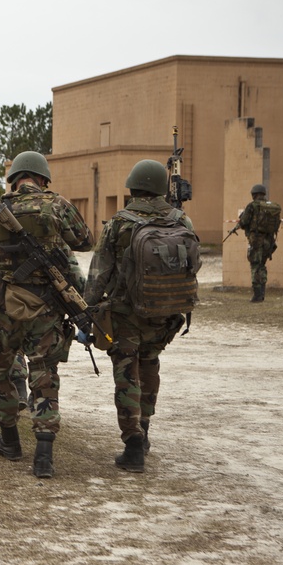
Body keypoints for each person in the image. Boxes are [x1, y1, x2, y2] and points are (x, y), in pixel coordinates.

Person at [0, 151, 94, 478]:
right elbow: (85, 241)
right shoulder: (57, 205)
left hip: (3, 308)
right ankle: (43, 455)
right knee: (43, 373)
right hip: (44, 306)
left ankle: (10, 441)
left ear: (13, 180)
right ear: (43, 179)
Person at [83, 159, 199, 472]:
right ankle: (144, 429)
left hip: (126, 314)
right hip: (166, 312)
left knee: (126, 374)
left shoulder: (120, 222)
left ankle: (133, 445)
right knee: (150, 364)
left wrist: (86, 309)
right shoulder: (181, 221)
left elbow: (99, 273)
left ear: (133, 187)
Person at [237, 183, 281, 303]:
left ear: (254, 195)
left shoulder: (252, 206)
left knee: (255, 266)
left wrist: (241, 222)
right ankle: (262, 294)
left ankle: (257, 295)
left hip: (256, 241)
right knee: (262, 266)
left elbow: (244, 222)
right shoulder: (271, 207)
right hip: (269, 241)